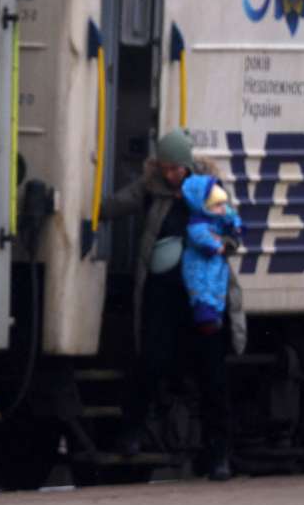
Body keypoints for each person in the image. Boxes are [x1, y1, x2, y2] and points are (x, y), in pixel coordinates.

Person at [100, 130, 243, 481]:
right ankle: (132, 433)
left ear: (187, 164)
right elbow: (114, 205)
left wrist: (220, 244)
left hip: (202, 297)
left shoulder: (210, 190)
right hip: (161, 293)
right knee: (149, 362)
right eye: (165, 167)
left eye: (175, 168)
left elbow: (233, 232)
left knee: (212, 376)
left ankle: (219, 454)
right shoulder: (151, 188)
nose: (170, 174)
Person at [180, 175, 243, 334]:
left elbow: (232, 219)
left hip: (214, 268)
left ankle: (214, 318)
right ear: (204, 206)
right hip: (199, 267)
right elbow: (204, 240)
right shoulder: (197, 225)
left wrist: (234, 224)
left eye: (223, 204)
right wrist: (219, 246)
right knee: (203, 293)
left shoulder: (215, 219)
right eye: (218, 205)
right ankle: (206, 321)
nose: (223, 208)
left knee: (216, 291)